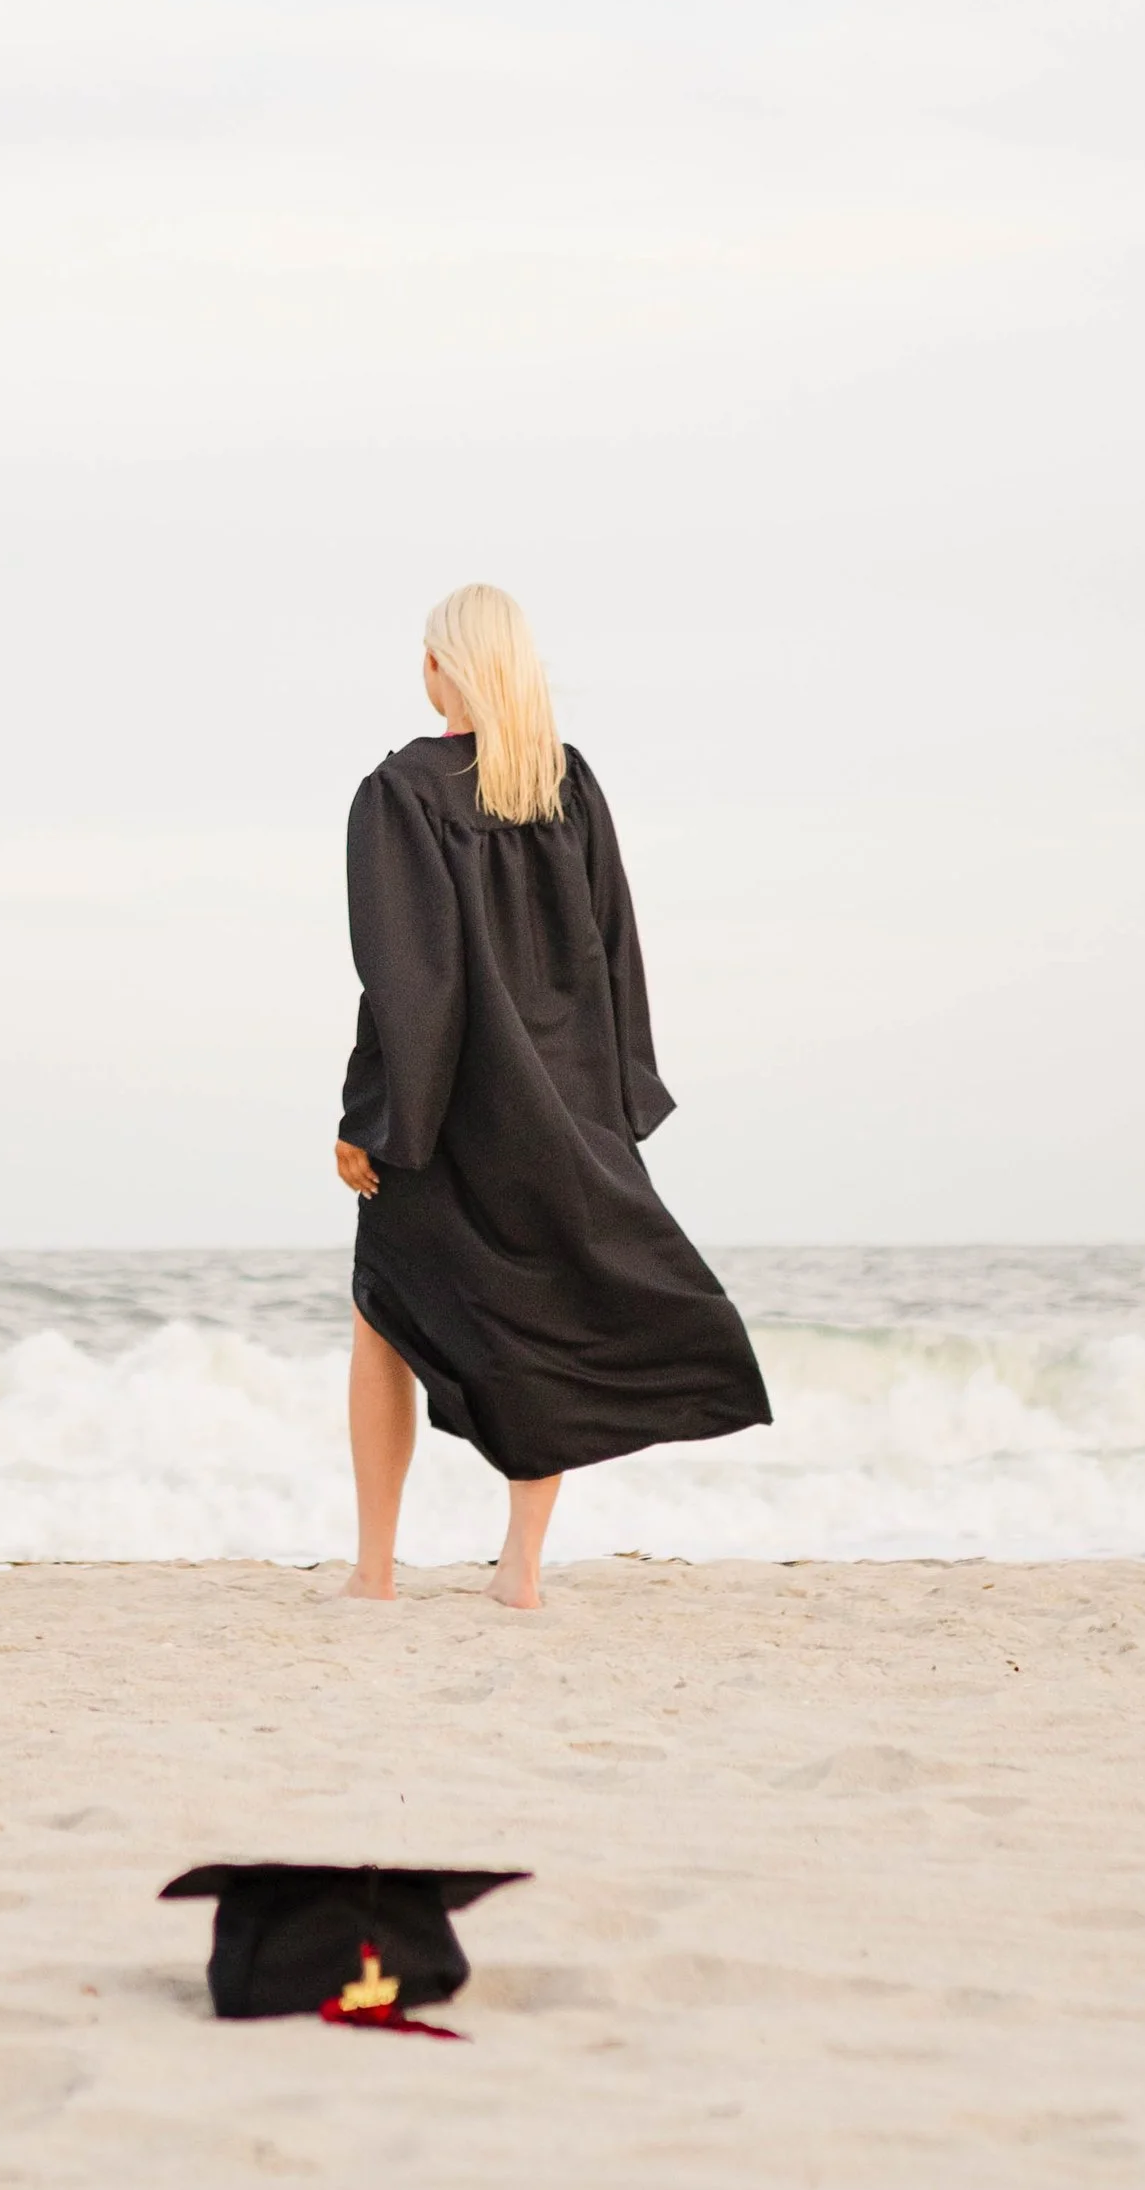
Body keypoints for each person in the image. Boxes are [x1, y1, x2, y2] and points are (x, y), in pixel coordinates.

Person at [335, 583, 770, 1609]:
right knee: (546, 1319)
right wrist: (617, 1098)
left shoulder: (399, 792)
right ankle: (519, 1570)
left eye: (426, 655)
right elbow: (616, 949)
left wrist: (373, 1118)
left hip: (446, 1114)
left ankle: (373, 1570)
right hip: (566, 1103)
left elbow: (403, 978)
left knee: (382, 1317)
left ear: (444, 667)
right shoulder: (565, 785)